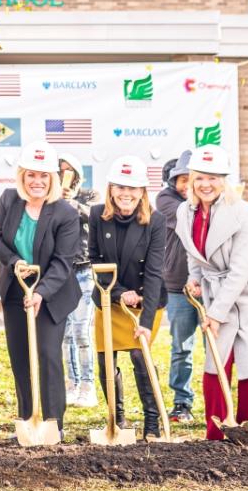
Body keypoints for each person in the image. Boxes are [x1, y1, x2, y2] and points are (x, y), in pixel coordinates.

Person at [177, 145, 248, 441]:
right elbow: (193, 253)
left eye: (213, 178)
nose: (206, 184)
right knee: (215, 364)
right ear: (191, 180)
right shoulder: (185, 211)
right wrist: (194, 277)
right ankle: (215, 432)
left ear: (224, 180)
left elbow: (240, 270)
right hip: (215, 291)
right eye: (200, 178)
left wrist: (215, 314)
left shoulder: (243, 212)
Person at [0, 142, 81, 431]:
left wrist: (41, 292)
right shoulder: (9, 199)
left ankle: (53, 423)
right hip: (16, 290)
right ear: (22, 176)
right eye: (31, 175)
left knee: (47, 354)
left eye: (43, 176)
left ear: (53, 178)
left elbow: (64, 262)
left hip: (52, 294)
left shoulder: (65, 213)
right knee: (20, 356)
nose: (37, 181)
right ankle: (29, 419)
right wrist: (14, 261)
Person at [88, 154, 167, 439]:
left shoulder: (156, 221)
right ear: (111, 188)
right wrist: (121, 294)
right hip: (110, 298)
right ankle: (117, 421)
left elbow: (156, 271)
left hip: (147, 300)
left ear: (143, 191)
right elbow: (95, 261)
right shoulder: (97, 214)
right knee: (105, 359)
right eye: (120, 186)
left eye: (133, 188)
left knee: (139, 355)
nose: (126, 193)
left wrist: (145, 320)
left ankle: (151, 422)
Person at [156, 150, 198, 424]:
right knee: (182, 346)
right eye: (183, 180)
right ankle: (181, 402)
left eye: (193, 179)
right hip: (177, 284)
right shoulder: (166, 199)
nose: (187, 186)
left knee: (219, 346)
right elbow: (187, 222)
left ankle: (221, 403)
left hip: (211, 284)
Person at [58, 151, 97, 408]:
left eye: (68, 171)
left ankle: (88, 384)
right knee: (66, 334)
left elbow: (94, 218)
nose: (64, 176)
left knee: (82, 331)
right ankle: (71, 384)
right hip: (61, 271)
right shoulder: (51, 199)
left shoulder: (89, 196)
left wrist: (72, 203)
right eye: (60, 171)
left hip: (83, 270)